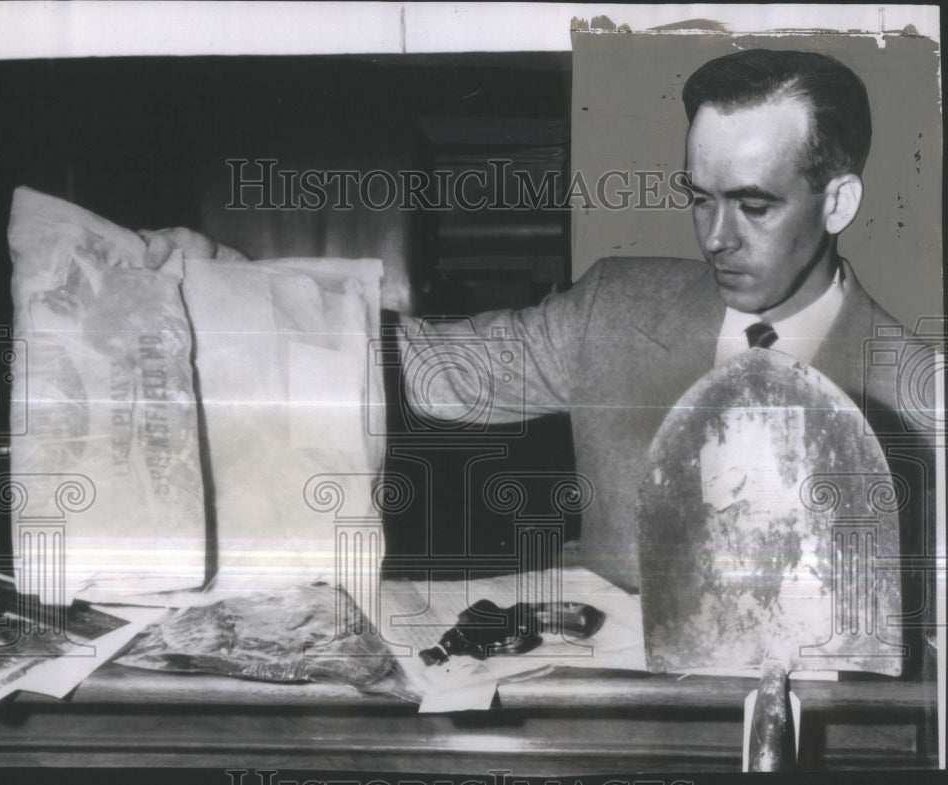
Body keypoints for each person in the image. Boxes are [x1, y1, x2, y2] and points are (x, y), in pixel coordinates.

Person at [143, 50, 935, 593]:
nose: (716, 237)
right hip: (603, 718)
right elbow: (424, 364)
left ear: (837, 201)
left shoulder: (925, 403)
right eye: (700, 197)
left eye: (754, 204)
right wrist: (226, 277)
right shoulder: (616, 309)